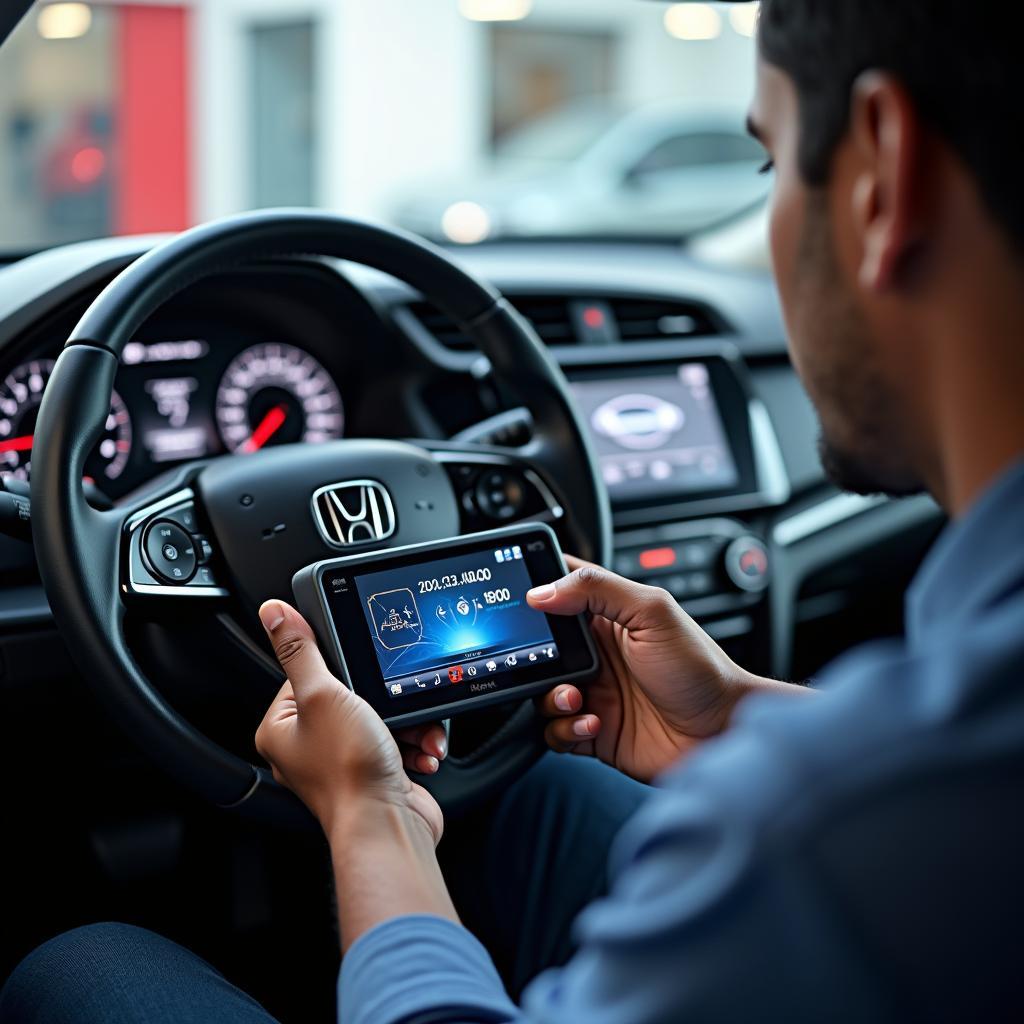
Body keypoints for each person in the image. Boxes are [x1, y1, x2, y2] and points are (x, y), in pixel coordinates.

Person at [4, 0, 1024, 1019]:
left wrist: (371, 814)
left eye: (770, 167)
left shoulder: (815, 831)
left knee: (83, 964)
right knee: (534, 796)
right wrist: (736, 719)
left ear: (883, 175)